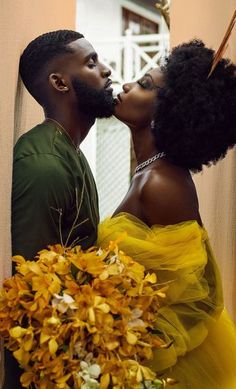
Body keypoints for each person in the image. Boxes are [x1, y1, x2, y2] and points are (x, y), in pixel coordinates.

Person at [98, 40, 236, 388]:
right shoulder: (150, 172)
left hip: (167, 369)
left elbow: (197, 298)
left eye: (144, 85)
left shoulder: (162, 184)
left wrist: (135, 357)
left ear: (170, 110)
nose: (126, 85)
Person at [7, 29, 114, 389]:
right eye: (91, 62)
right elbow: (31, 296)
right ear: (59, 82)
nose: (106, 70)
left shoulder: (68, 152)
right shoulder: (44, 162)